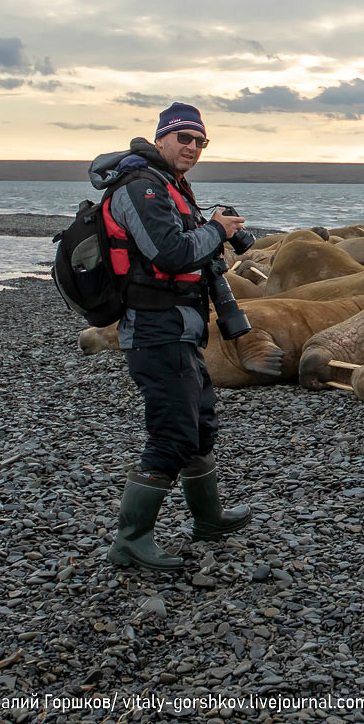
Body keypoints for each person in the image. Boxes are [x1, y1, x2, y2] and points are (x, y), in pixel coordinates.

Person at [88, 102, 254, 571]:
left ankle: (209, 519)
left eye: (200, 141)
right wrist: (216, 229)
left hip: (181, 328)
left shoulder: (168, 185)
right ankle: (131, 540)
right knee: (172, 434)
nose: (193, 148)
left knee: (200, 425)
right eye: (184, 138)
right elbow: (170, 253)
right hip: (155, 330)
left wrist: (211, 228)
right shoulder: (140, 188)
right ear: (160, 138)